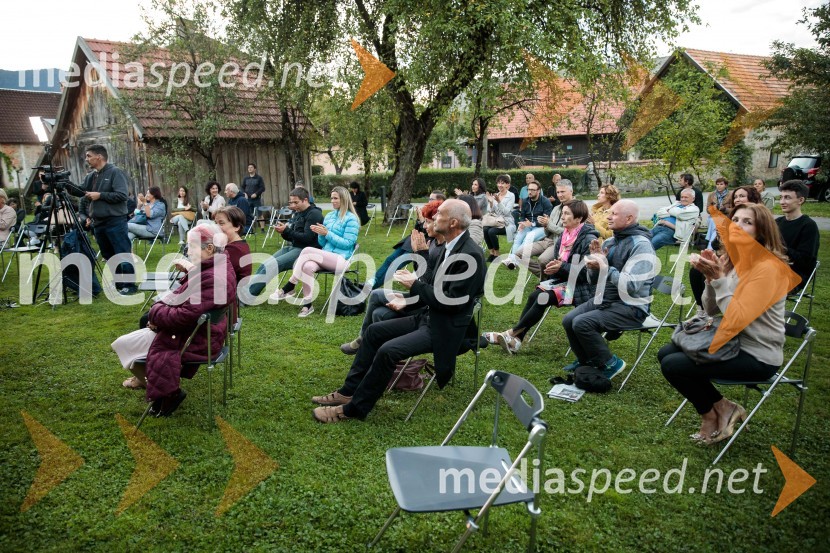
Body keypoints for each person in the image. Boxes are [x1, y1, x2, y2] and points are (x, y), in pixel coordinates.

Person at [311, 199, 486, 423]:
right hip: (429, 317)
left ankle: (353, 409)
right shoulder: (449, 246)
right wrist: (414, 288)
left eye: (439, 214)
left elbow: (452, 302)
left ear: (453, 223)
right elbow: (431, 284)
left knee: (388, 351)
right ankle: (348, 391)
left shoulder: (470, 255)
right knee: (374, 332)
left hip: (445, 329)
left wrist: (415, 286)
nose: (433, 218)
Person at [660, 203, 788, 444]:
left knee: (675, 365)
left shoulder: (768, 268)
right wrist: (710, 278)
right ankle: (720, 408)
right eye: (735, 220)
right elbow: (710, 309)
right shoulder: (731, 260)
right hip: (731, 343)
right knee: (665, 353)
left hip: (757, 354)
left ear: (761, 232)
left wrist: (719, 280)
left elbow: (738, 318)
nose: (737, 226)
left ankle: (709, 417)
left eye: (747, 222)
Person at [112, 224, 236, 413]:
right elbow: (189, 301)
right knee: (129, 341)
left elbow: (183, 317)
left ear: (209, 248)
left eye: (192, 246)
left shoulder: (213, 276)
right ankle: (156, 385)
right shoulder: (217, 265)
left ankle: (169, 393)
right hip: (199, 332)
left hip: (195, 338)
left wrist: (156, 313)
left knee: (122, 344)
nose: (188, 250)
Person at [483, 200, 599, 353]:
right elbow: (562, 264)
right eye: (562, 213)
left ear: (579, 219)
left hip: (582, 288)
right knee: (534, 296)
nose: (562, 217)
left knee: (541, 298)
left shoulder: (588, 239)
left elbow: (587, 274)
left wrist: (561, 267)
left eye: (566, 214)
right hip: (565, 282)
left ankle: (509, 334)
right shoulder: (565, 235)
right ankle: (516, 341)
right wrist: (555, 269)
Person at [561, 199, 655, 379]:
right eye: (608, 212)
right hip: (606, 299)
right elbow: (594, 282)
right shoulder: (609, 242)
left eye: (614, 214)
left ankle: (611, 363)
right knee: (569, 319)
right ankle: (586, 360)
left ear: (629, 219)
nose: (608, 217)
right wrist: (592, 266)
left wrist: (605, 266)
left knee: (582, 323)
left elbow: (631, 286)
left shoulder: (641, 245)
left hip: (631, 306)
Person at [340, 200, 444, 355]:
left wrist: (408, 295)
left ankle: (376, 349)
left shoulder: (443, 249)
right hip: (420, 297)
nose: (425, 225)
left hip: (424, 305)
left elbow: (428, 285)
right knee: (376, 294)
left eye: (429, 222)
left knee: (379, 313)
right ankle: (366, 341)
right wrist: (419, 256)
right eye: (425, 221)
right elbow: (423, 277)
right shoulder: (434, 243)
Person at [271, 186, 359, 317]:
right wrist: (321, 234)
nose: (332, 201)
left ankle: (290, 285)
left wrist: (327, 233)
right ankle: (307, 305)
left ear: (344, 199)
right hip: (326, 255)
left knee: (307, 250)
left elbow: (347, 244)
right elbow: (322, 243)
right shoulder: (329, 216)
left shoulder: (351, 219)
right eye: (331, 198)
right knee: (307, 266)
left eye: (335, 198)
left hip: (342, 259)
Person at [70, 144, 135, 294]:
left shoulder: (115, 172)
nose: (86, 159)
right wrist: (64, 183)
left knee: (122, 253)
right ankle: (119, 284)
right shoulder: (91, 176)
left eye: (88, 156)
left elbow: (122, 195)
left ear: (99, 156)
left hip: (115, 221)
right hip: (98, 222)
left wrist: (100, 195)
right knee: (108, 255)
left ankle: (130, 285)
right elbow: (80, 191)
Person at [247, 187, 323, 297]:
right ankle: (246, 291)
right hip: (295, 247)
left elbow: (307, 238)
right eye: (291, 202)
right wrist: (283, 232)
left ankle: (247, 296)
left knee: (272, 265)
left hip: (306, 251)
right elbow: (292, 238)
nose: (293, 205)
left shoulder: (314, 214)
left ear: (305, 200)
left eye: (296, 202)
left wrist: (287, 230)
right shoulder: (298, 213)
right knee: (266, 264)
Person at [370, 192, 444, 289]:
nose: (428, 201)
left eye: (431, 199)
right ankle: (369, 283)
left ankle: (371, 287)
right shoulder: (428, 212)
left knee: (396, 264)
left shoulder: (439, 219)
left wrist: (422, 221)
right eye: (429, 199)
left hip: (421, 245)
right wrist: (419, 220)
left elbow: (428, 234)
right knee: (390, 260)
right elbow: (417, 229)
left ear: (439, 201)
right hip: (410, 242)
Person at [517, 179, 574, 277]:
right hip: (547, 240)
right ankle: (548, 276)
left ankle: (545, 280)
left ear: (571, 191)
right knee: (519, 254)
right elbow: (548, 231)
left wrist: (549, 225)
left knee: (542, 260)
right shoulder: (556, 208)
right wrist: (545, 225)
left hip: (559, 244)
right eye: (558, 192)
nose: (560, 195)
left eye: (562, 192)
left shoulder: (576, 208)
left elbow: (570, 233)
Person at [776, 180, 820, 292]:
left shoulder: (808, 226)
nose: (782, 201)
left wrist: (777, 247)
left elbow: (805, 261)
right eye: (781, 197)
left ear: (800, 200)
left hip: (794, 276)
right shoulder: (777, 222)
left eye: (787, 197)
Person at [504, 180, 553, 269]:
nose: (530, 192)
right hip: (528, 225)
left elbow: (547, 220)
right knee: (518, 237)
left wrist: (533, 223)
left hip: (542, 227)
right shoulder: (525, 201)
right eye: (529, 189)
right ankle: (512, 260)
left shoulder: (545, 202)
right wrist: (522, 223)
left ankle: (514, 259)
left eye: (533, 190)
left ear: (538, 191)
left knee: (529, 237)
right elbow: (522, 215)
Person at [214, 206, 252, 285]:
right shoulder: (239, 245)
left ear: (237, 227)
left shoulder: (234, 250)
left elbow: (212, 274)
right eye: (215, 223)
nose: (215, 227)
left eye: (221, 223)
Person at [483, 174, 517, 261]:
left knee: (491, 231)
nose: (500, 185)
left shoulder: (511, 195)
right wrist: (490, 202)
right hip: (496, 221)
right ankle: (491, 252)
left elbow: (507, 212)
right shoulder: (496, 195)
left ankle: (497, 254)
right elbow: (490, 211)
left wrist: (498, 202)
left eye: (502, 183)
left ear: (507, 185)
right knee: (485, 228)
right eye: (498, 183)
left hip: (506, 222)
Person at [242, 163, 266, 232]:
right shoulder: (246, 178)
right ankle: (250, 229)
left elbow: (262, 188)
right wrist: (244, 193)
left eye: (251, 167)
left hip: (256, 199)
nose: (249, 168)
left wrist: (256, 193)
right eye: (248, 167)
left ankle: (262, 229)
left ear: (255, 169)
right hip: (248, 199)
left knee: (259, 214)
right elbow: (242, 187)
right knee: (249, 214)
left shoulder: (259, 178)